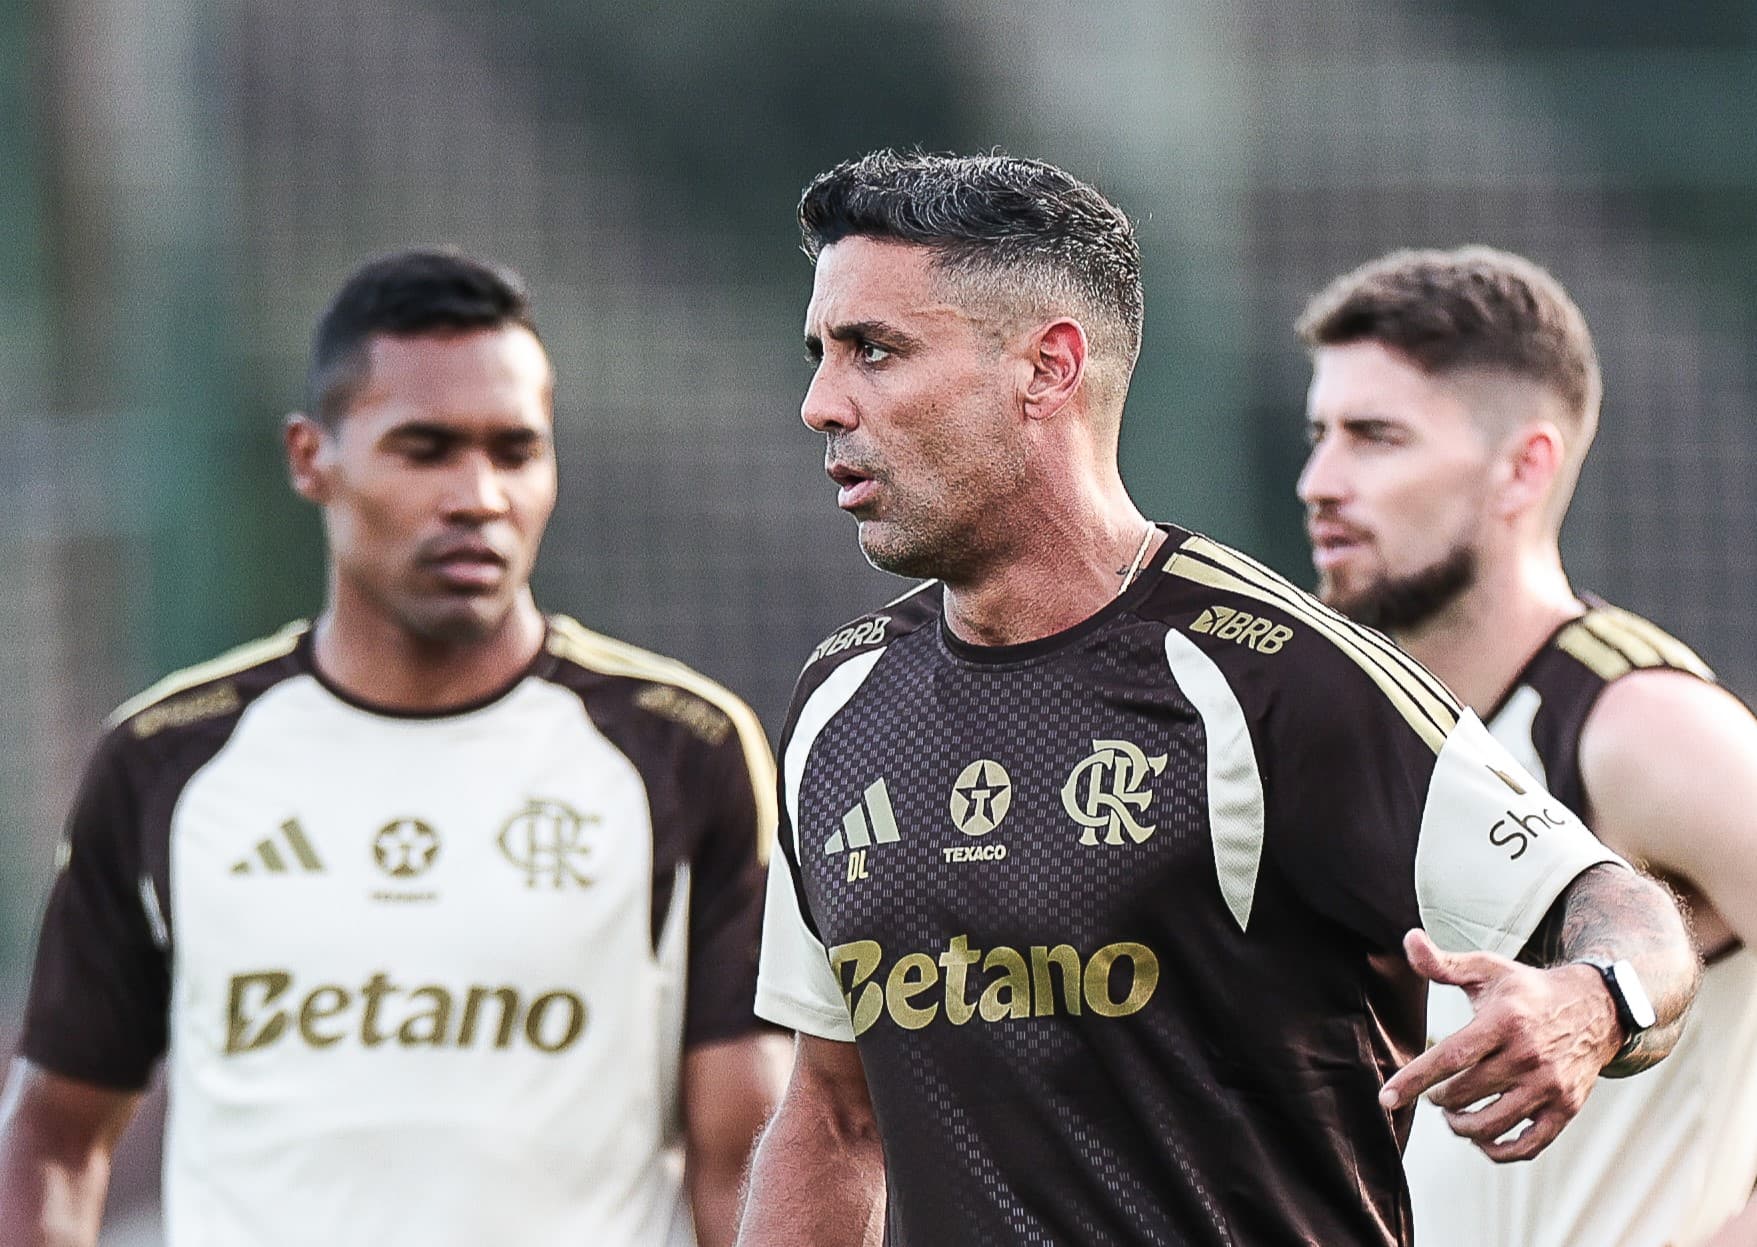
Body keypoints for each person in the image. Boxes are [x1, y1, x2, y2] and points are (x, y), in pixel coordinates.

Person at [735, 150, 1699, 1247]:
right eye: (820, 353)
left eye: (874, 351)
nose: (821, 403)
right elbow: (831, 1112)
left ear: (1048, 368)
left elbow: (1615, 906)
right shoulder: (840, 701)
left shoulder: (1276, 675)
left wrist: (1591, 1000)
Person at [0, 249, 787, 1247]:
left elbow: (745, 1156)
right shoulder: (166, 758)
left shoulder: (683, 750)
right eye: (426, 448)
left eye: (514, 450)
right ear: (309, 458)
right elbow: (55, 1136)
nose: (479, 495)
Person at [1296, 246, 1757, 1247]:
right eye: (1317, 433)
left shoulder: (1642, 723)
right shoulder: (1352, 724)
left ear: (1522, 466)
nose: (1318, 481)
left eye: (1373, 436)